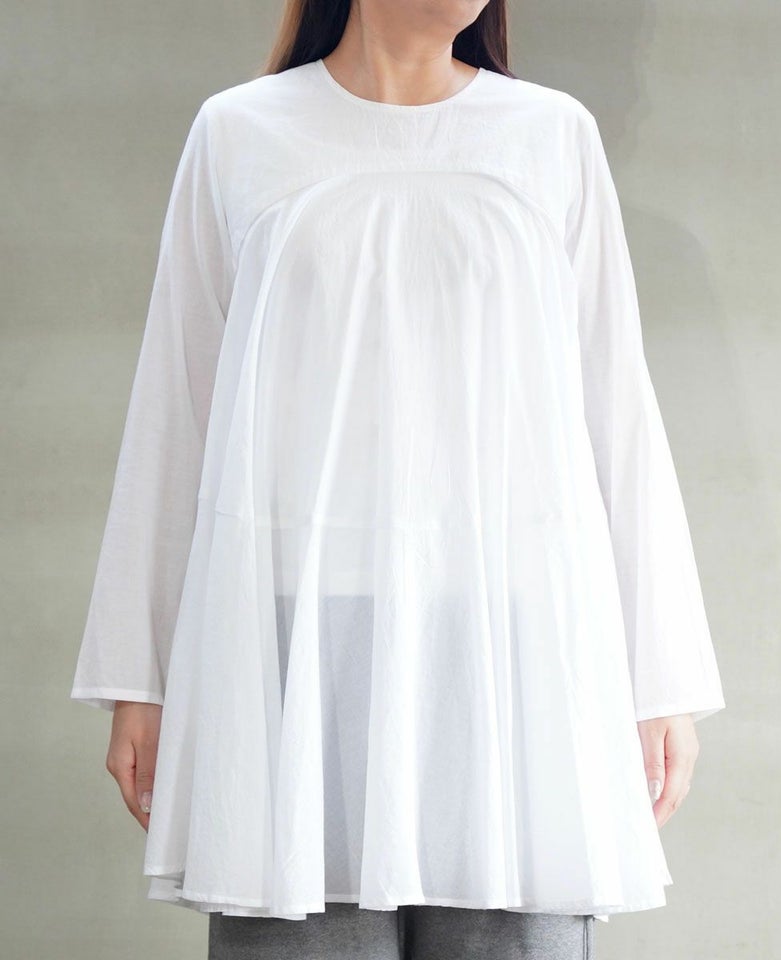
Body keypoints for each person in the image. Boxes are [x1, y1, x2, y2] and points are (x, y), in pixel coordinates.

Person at [70, 1, 727, 958]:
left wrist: (657, 680)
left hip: (516, 642)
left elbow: (614, 410)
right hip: (292, 645)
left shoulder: (551, 137)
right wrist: (143, 672)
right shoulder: (241, 133)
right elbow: (179, 403)